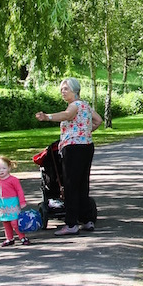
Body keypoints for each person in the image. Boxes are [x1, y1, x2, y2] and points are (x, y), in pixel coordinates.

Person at [35, 77, 103, 236]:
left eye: (66, 89)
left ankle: (71, 223)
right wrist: (85, 132)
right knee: (82, 183)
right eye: (61, 89)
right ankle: (87, 220)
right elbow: (98, 120)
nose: (63, 92)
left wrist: (47, 117)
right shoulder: (85, 105)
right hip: (87, 146)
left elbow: (67, 115)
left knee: (71, 185)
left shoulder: (74, 106)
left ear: (75, 90)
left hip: (72, 149)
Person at [0, 156, 29, 247]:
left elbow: (19, 191)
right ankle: (9, 239)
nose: (1, 171)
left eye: (4, 168)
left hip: (12, 203)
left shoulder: (13, 180)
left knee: (15, 222)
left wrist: (22, 201)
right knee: (6, 222)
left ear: (9, 168)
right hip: (2, 203)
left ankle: (22, 237)